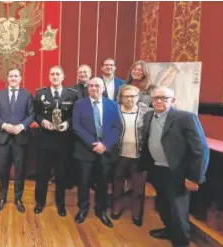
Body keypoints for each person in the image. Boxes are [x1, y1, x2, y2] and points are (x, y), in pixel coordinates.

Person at [140, 87, 209, 247]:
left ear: (173, 100)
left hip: (177, 173)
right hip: (157, 169)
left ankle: (181, 242)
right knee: (163, 204)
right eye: (155, 98)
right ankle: (169, 230)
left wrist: (194, 177)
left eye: (164, 98)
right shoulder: (149, 115)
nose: (158, 101)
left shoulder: (186, 118)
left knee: (178, 210)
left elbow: (201, 150)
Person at [72, 77, 122, 228]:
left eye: (97, 86)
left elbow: (117, 128)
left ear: (103, 88)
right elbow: (76, 126)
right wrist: (92, 144)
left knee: (103, 182)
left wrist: (105, 145)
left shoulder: (112, 105)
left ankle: (101, 211)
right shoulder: (80, 104)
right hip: (85, 150)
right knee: (84, 182)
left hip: (105, 151)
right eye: (91, 85)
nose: (93, 88)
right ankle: (83, 208)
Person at [33, 66, 78, 217]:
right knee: (42, 174)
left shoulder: (72, 95)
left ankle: (60, 204)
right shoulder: (41, 93)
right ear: (48, 76)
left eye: (58, 74)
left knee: (61, 174)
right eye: (52, 74)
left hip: (63, 140)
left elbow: (76, 115)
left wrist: (68, 124)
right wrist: (42, 122)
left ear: (63, 76)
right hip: (45, 139)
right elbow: (36, 114)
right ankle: (40, 202)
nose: (55, 76)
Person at [0, 68, 34, 213]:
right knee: (3, 169)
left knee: (19, 170)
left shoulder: (27, 94)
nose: (13, 78)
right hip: (4, 138)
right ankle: (2, 197)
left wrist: (21, 126)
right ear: (7, 78)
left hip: (20, 138)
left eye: (16, 76)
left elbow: (31, 114)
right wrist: (4, 125)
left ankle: (18, 198)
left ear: (20, 78)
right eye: (11, 76)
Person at [111, 85, 150, 227]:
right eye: (126, 96)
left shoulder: (146, 112)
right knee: (118, 183)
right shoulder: (114, 111)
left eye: (133, 96)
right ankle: (116, 208)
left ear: (138, 97)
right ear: (121, 98)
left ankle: (137, 212)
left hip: (138, 156)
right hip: (119, 155)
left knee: (138, 187)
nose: (129, 99)